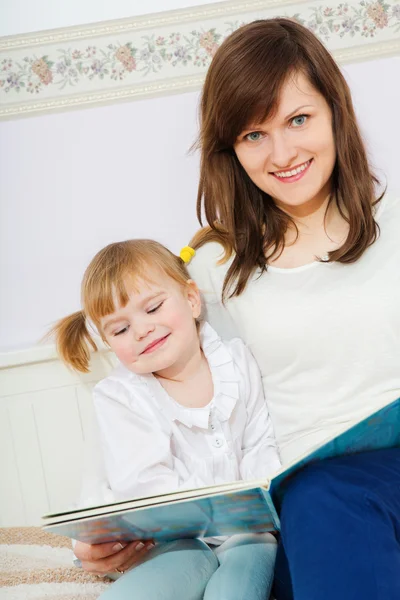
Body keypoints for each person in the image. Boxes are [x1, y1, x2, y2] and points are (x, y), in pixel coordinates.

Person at [186, 17, 400, 600]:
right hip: (308, 501)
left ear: (335, 111)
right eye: (254, 135)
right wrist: (131, 525)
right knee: (318, 503)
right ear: (230, 149)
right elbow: (184, 420)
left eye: (298, 119)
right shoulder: (212, 273)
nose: (282, 153)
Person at [51, 239, 281, 600]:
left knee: (254, 552)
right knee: (184, 562)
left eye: (153, 308)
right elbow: (146, 489)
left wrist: (257, 501)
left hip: (242, 529)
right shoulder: (121, 395)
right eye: (120, 329)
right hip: (160, 538)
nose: (141, 330)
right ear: (110, 342)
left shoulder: (237, 362)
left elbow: (259, 442)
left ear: (191, 299)